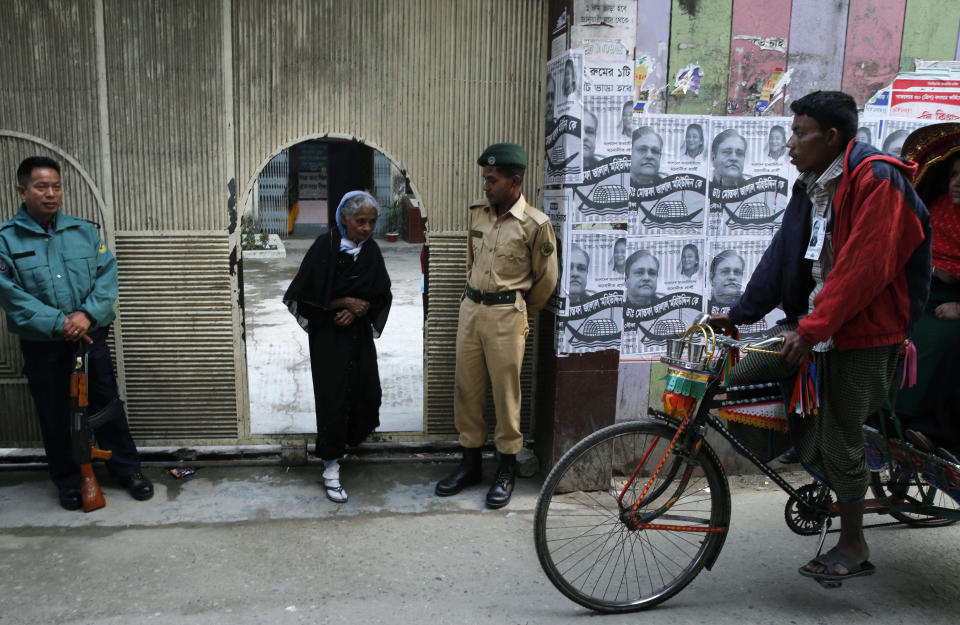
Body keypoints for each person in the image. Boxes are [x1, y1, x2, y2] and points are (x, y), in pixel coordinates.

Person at [713, 91, 930, 583]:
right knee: (738, 374)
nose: (790, 144)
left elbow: (862, 270)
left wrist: (811, 331)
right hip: (814, 323)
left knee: (841, 435)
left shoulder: (878, 181)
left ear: (831, 137)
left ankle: (853, 543)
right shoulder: (811, 185)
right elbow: (781, 256)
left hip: (865, 335)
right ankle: (814, 462)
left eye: (800, 133)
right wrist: (738, 315)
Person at [0, 156, 153, 510]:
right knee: (54, 414)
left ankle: (126, 470)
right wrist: (59, 323)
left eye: (56, 186)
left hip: (90, 338)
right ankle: (69, 480)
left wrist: (86, 314)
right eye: (41, 187)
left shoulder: (83, 231)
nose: (51, 194)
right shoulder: (7, 240)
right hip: (43, 345)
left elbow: (106, 276)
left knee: (107, 406)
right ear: (22, 191)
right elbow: (10, 294)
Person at [435, 143, 558, 509]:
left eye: (492, 180)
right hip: (472, 310)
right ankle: (470, 464)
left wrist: (520, 311)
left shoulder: (536, 225)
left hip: (507, 315)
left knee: (506, 396)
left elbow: (547, 280)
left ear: (514, 181)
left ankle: (505, 467)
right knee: (467, 390)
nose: (486, 186)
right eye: (485, 179)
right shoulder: (479, 214)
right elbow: (470, 261)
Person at [283, 191, 392, 504]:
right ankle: (331, 468)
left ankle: (348, 442)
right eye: (360, 221)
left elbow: (382, 293)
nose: (366, 228)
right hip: (329, 339)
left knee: (368, 393)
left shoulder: (370, 252)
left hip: (358, 337)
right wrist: (343, 302)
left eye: (371, 222)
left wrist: (361, 308)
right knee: (332, 400)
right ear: (344, 218)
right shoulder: (325, 248)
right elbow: (303, 297)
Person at [892, 124, 960, 462]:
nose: (958, 182)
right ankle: (892, 417)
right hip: (927, 290)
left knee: (940, 339)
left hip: (954, 301)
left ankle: (927, 427)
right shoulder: (940, 206)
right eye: (954, 174)